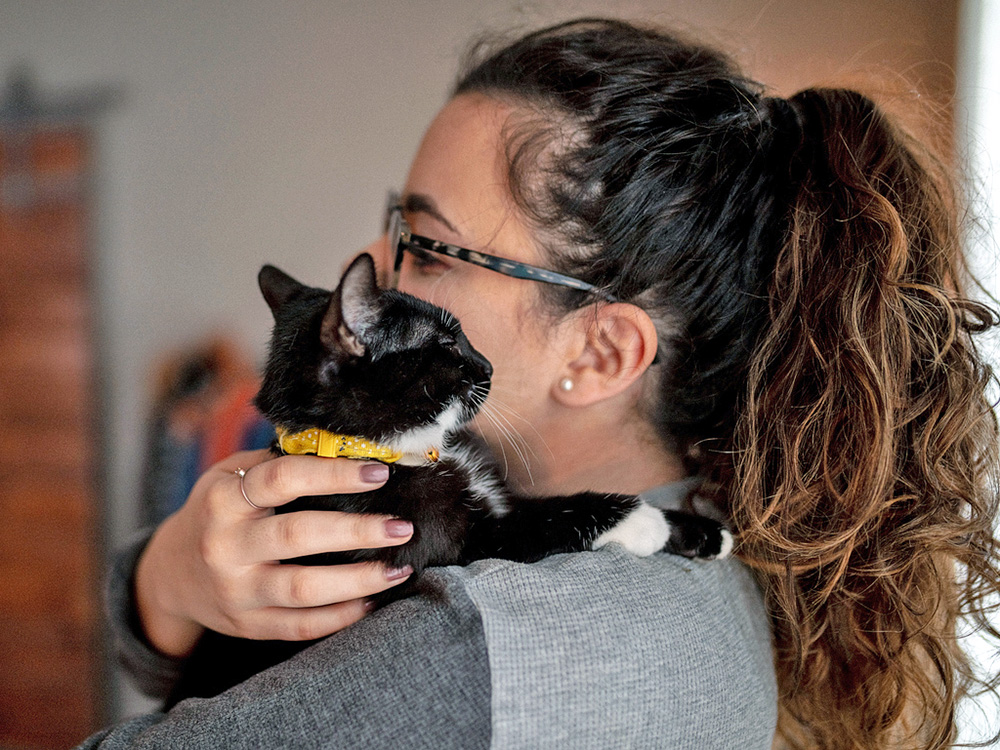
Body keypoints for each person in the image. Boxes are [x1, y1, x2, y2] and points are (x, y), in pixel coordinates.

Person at [79, 18, 1000, 750]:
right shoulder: (695, 554)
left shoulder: (472, 651)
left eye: (426, 246)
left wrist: (152, 582)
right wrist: (167, 587)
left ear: (600, 353)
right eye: (393, 224)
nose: (370, 265)